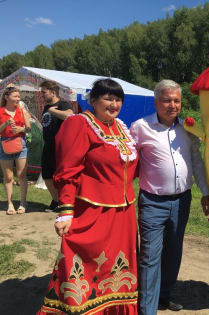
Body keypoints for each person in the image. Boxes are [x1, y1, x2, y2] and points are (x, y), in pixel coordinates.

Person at [37, 79, 139, 314]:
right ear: (93, 100)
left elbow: (130, 167)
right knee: (89, 264)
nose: (114, 104)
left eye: (118, 99)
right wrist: (65, 212)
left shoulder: (120, 127)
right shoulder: (79, 124)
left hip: (123, 214)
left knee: (116, 268)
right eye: (108, 98)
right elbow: (67, 170)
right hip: (93, 211)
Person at [129, 79, 209, 315]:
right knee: (150, 256)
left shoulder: (188, 128)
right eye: (167, 100)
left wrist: (205, 193)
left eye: (176, 100)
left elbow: (196, 161)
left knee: (174, 252)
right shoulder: (140, 127)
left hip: (182, 200)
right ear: (156, 102)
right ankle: (147, 308)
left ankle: (163, 296)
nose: (172, 105)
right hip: (153, 202)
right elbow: (125, 161)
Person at [40, 80, 73, 212]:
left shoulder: (62, 104)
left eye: (44, 92)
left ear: (53, 92)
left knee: (59, 175)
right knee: (46, 175)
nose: (42, 95)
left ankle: (64, 202)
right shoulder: (46, 106)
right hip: (48, 144)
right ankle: (56, 200)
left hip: (60, 146)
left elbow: (69, 115)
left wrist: (53, 111)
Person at [0, 85, 31, 215]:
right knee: (8, 177)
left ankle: (23, 203)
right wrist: (6, 124)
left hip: (21, 144)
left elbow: (29, 128)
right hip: (5, 144)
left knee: (21, 175)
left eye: (19, 96)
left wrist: (21, 129)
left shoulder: (22, 111)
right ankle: (10, 203)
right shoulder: (0, 111)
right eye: (15, 96)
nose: (18, 99)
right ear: (7, 97)